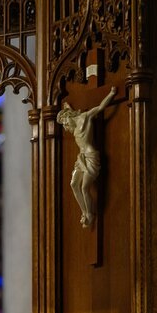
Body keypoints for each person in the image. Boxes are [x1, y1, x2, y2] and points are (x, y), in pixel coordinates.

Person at [56, 86, 116, 228]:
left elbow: (100, 107)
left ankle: (90, 214)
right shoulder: (73, 121)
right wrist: (68, 107)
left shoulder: (86, 118)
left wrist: (112, 93)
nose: (66, 127)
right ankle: (84, 212)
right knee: (73, 184)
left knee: (84, 188)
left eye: (65, 123)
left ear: (69, 117)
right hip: (81, 157)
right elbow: (71, 116)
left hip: (90, 156)